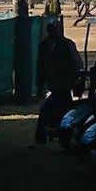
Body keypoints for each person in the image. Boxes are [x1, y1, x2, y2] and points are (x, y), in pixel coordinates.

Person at [33, 18, 82, 147]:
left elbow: (76, 64)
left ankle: (43, 139)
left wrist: (75, 81)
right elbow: (41, 67)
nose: (50, 31)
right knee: (62, 112)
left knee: (49, 111)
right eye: (49, 29)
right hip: (55, 85)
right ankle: (62, 138)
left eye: (53, 28)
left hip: (64, 85)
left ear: (59, 29)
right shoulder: (44, 45)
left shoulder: (67, 44)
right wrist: (39, 85)